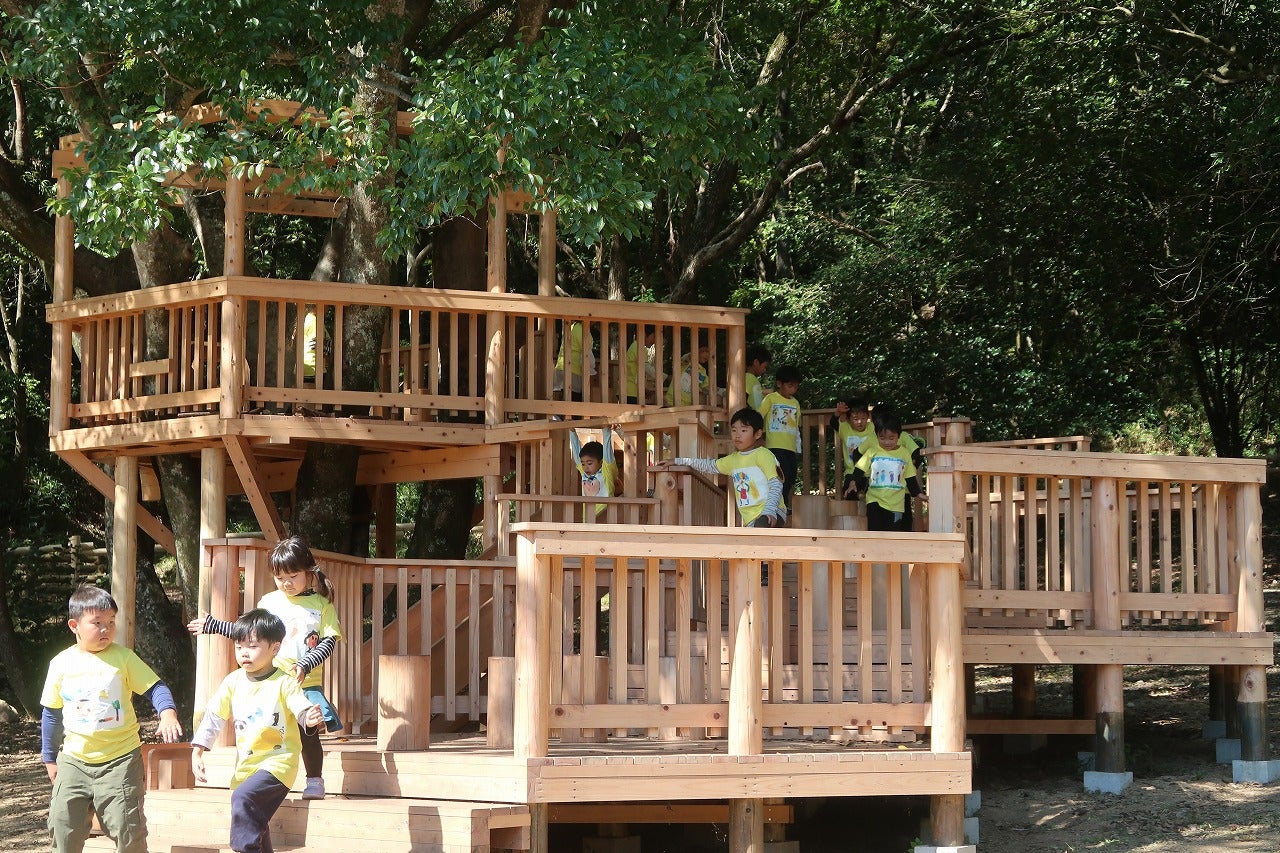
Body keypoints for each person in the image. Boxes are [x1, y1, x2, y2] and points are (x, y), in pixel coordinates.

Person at [188, 536, 343, 800]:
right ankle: (261, 777)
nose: (286, 583)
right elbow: (251, 633)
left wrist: (305, 664)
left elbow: (328, 643)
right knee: (265, 730)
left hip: (303, 683)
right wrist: (216, 625)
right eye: (279, 577)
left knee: (308, 733)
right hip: (270, 682)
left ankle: (314, 779)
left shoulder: (321, 605)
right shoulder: (269, 602)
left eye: (293, 576)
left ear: (309, 572)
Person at [41, 585, 184, 853]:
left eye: (111, 622)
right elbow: (51, 713)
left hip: (121, 760)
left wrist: (167, 713)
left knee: (128, 830)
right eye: (97, 623)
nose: (106, 629)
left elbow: (156, 687)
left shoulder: (124, 658)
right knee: (63, 827)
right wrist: (49, 758)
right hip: (74, 760)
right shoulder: (60, 664)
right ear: (74, 625)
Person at [191, 610, 324, 853]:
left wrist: (309, 717)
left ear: (275, 648)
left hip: (278, 764)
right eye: (239, 646)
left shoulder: (284, 682)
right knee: (255, 823)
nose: (244, 652)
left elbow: (300, 707)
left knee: (243, 799)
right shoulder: (233, 681)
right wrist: (198, 751)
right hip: (246, 767)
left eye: (252, 646)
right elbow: (214, 716)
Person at [655, 407, 785, 528]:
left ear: (757, 434)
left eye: (744, 430)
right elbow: (709, 465)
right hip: (751, 520)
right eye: (734, 430)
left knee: (760, 527)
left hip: (773, 513)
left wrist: (769, 511)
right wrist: (678, 461)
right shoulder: (733, 460)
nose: (737, 435)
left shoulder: (763, 455)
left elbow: (776, 484)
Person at [852, 411, 926, 531]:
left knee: (893, 533)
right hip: (874, 500)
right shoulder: (872, 451)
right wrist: (853, 481)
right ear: (877, 436)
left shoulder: (904, 454)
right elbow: (860, 468)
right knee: (875, 531)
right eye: (882, 438)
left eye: (891, 438)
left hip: (896, 505)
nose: (887, 442)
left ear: (898, 436)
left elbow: (910, 477)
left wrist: (918, 493)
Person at [756, 364, 802, 511]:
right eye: (790, 385)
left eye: (796, 386)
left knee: (792, 475)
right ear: (779, 383)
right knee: (782, 474)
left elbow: (796, 426)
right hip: (774, 445)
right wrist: (758, 436)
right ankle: (778, 505)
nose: (793, 389)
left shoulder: (795, 403)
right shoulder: (771, 399)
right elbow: (759, 416)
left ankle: (781, 504)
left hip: (790, 447)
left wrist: (798, 445)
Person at [570, 426, 620, 519]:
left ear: (601, 462)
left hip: (606, 518)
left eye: (590, 463)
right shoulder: (584, 473)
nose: (586, 467)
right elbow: (576, 453)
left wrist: (606, 431)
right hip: (588, 520)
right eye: (583, 464)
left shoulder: (606, 472)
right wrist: (572, 431)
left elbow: (607, 453)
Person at [831, 397, 876, 498]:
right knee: (849, 493)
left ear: (868, 417)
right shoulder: (845, 429)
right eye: (855, 419)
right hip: (852, 472)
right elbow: (833, 423)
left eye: (863, 418)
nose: (860, 422)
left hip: (871, 472)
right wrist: (838, 413)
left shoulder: (873, 427)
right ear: (848, 419)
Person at [553, 320, 595, 402]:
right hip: (573, 371)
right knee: (575, 401)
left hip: (561, 368)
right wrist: (591, 371)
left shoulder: (572, 327)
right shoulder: (584, 331)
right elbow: (587, 356)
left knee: (563, 399)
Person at [665, 343, 712, 407]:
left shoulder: (702, 371)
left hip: (687, 405)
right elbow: (685, 358)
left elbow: (707, 386)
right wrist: (696, 353)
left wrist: (718, 391)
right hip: (671, 401)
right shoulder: (685, 364)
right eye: (705, 351)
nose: (708, 355)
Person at [624, 326, 658, 405]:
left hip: (628, 390)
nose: (655, 341)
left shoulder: (634, 346)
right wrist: (665, 378)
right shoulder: (639, 347)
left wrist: (644, 390)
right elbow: (648, 369)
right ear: (644, 334)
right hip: (631, 392)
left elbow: (634, 375)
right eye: (654, 337)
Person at [744, 344, 772, 411]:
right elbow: (743, 399)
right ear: (756, 362)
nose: (765, 370)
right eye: (765, 367)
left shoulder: (751, 378)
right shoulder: (749, 378)